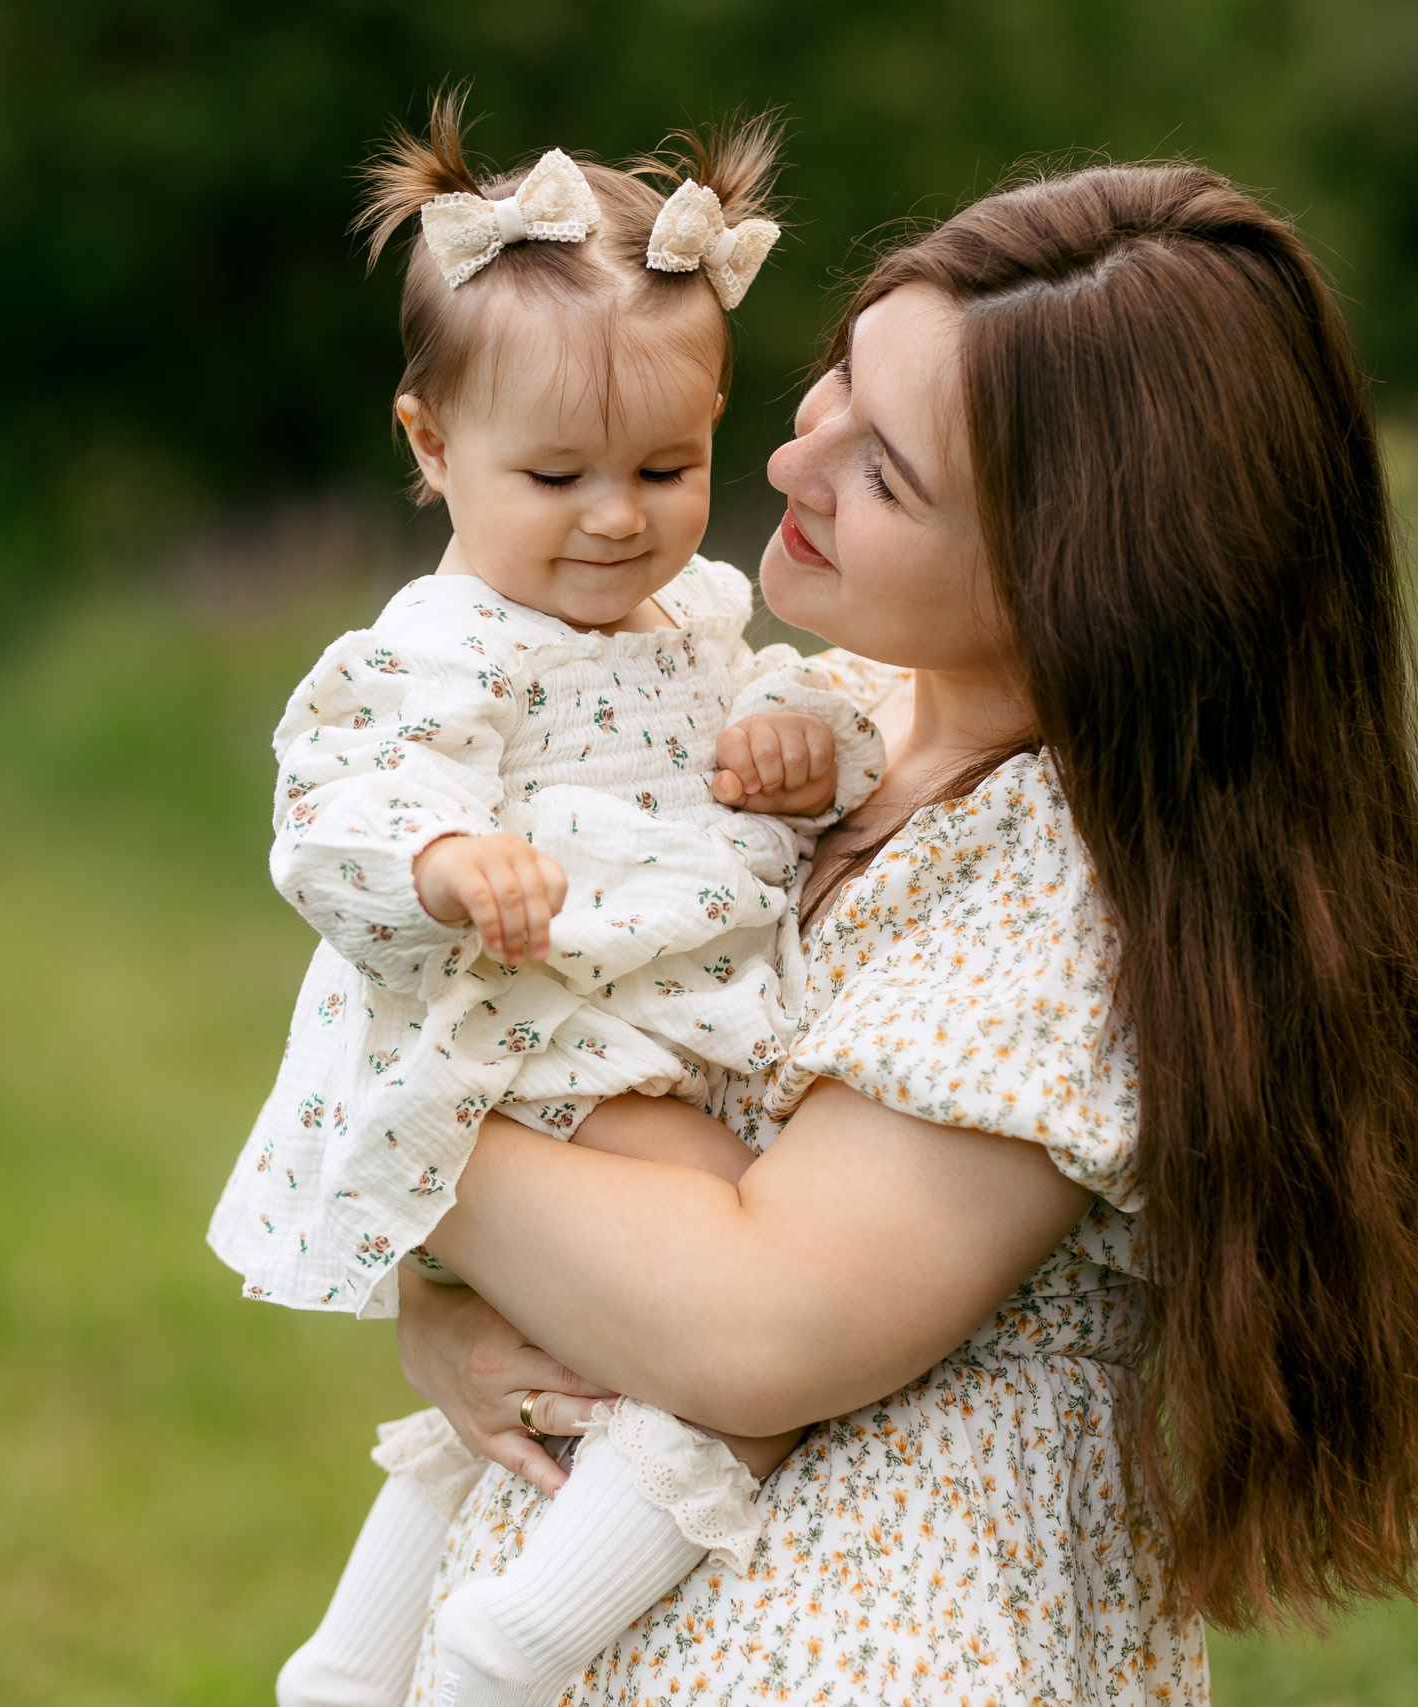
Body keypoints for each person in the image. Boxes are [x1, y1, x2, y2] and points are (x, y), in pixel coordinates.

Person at [390, 160, 1418, 1703]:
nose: (788, 459)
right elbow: (605, 1118)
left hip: (866, 1635)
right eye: (837, 380)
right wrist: (444, 1317)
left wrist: (384, 1128)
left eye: (887, 475)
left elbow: (756, 1323)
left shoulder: (1074, 878)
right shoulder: (811, 734)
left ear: (1086, 579)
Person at [207, 97, 890, 1707]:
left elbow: (813, 713)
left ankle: (352, 1661)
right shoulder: (433, 653)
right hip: (554, 1047)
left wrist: (810, 741)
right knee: (747, 1358)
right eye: (557, 472)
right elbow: (337, 817)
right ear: (432, 449)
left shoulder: (698, 616)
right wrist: (445, 860)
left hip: (652, 1029)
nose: (615, 515)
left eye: (667, 465)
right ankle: (514, 1649)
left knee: (543, 1374)